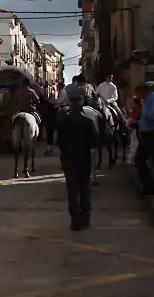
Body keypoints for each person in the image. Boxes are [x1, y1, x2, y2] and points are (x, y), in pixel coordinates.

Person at [56, 95, 98, 231]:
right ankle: (85, 217)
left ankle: (75, 221)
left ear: (70, 105)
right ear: (82, 106)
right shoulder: (88, 122)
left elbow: (59, 142)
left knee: (72, 191)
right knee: (84, 188)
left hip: (69, 161)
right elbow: (94, 142)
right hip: (84, 159)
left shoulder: (63, 121)